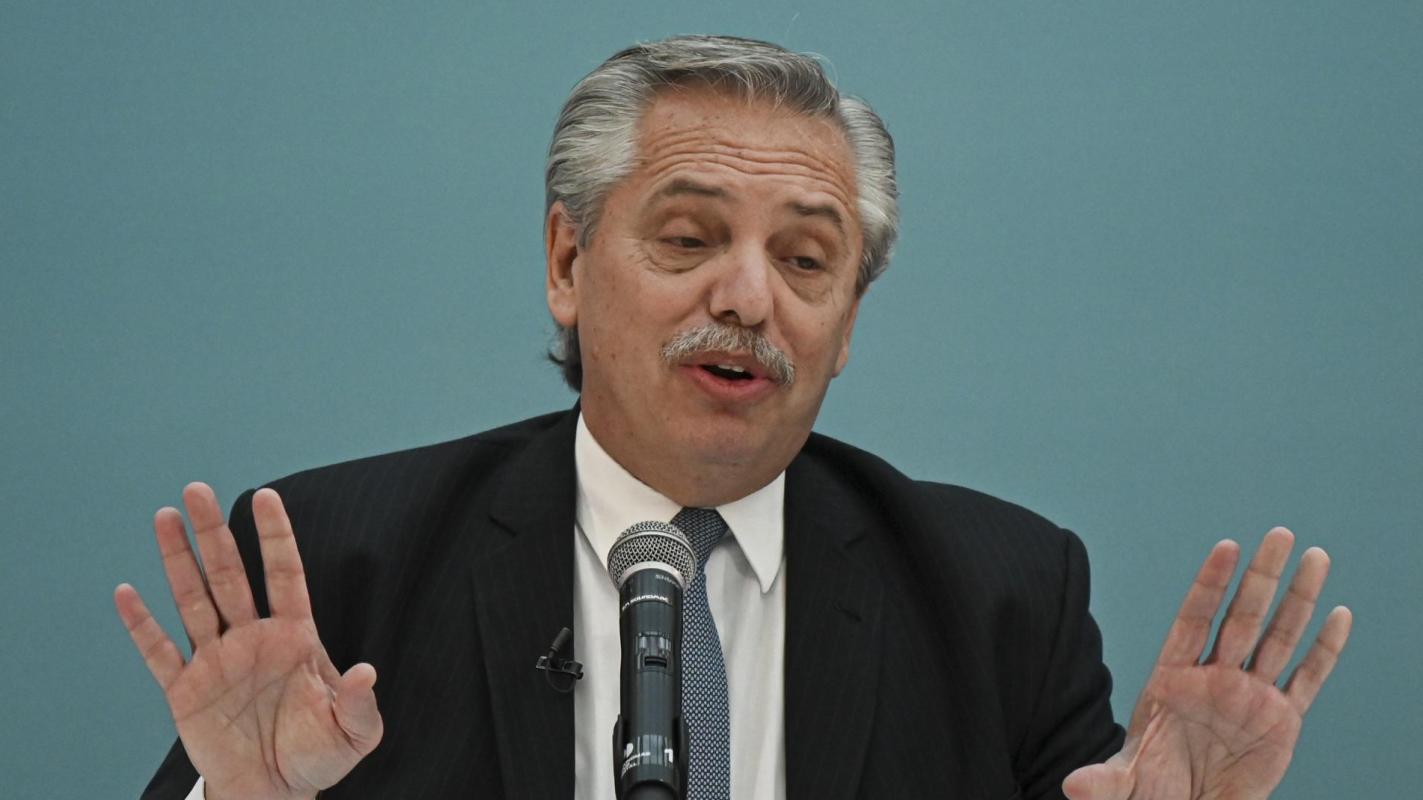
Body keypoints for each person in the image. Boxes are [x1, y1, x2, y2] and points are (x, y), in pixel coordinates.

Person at [115, 35, 1352, 800]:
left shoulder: (1001, 595)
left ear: (847, 322)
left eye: (806, 260)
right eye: (689, 237)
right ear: (566, 261)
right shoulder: (343, 558)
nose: (748, 299)